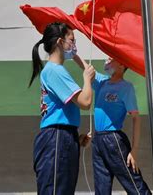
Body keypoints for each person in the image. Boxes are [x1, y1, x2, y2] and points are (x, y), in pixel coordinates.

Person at [29, 22, 95, 195]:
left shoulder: (54, 71)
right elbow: (85, 101)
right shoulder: (54, 71)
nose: (73, 45)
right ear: (60, 41)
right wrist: (87, 78)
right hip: (56, 138)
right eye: (71, 40)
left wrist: (74, 138)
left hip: (63, 137)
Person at [75, 57, 151, 195]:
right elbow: (86, 68)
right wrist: (73, 53)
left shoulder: (126, 87)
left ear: (122, 63)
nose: (108, 59)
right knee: (101, 188)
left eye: (112, 57)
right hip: (98, 140)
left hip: (113, 140)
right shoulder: (102, 82)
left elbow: (136, 118)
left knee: (134, 184)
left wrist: (134, 150)